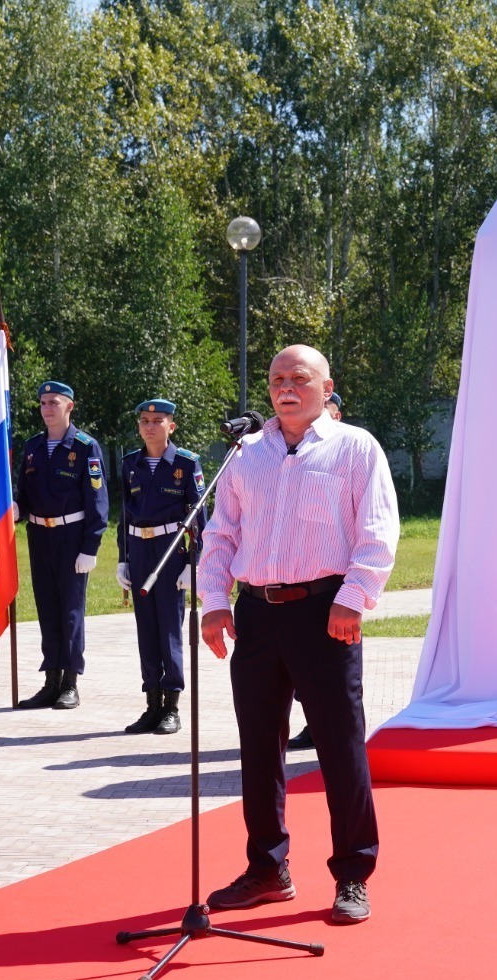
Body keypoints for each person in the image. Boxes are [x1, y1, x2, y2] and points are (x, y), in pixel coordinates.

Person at [200, 348, 397, 925]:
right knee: (259, 746)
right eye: (276, 379)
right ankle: (267, 869)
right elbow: (220, 534)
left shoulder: (356, 447)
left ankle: (353, 874)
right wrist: (214, 604)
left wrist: (353, 598)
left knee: (339, 745)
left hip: (324, 612)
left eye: (298, 378)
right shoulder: (245, 454)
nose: (286, 387)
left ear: (326, 385)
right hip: (257, 616)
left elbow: (378, 528)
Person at [13, 381, 108, 710]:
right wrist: (15, 510)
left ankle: (70, 682)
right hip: (40, 537)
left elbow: (97, 499)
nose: (47, 408)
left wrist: (90, 546)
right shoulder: (32, 448)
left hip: (71, 539)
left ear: (70, 406)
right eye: (42, 402)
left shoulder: (84, 447)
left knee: (70, 612)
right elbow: (24, 495)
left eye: (53, 402)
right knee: (47, 609)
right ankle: (51, 681)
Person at [115, 399, 207, 735]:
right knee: (146, 630)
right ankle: (151, 704)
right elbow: (124, 515)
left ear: (172, 426)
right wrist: (123, 558)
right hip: (139, 549)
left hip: (170, 552)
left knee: (169, 629)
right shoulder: (130, 464)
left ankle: (171, 706)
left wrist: (193, 563)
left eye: (157, 420)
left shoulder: (186, 463)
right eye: (144, 420)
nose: (150, 426)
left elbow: (199, 517)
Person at [286, 390, 345, 753]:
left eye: (333, 412)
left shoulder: (350, 451)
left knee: (327, 676)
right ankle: (311, 722)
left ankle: (321, 726)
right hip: (282, 585)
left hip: (327, 591)